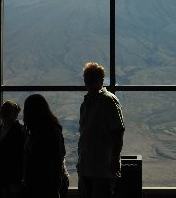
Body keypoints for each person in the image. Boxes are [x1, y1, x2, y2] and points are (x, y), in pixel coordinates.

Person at [77, 62, 125, 198]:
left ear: (101, 80)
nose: (89, 82)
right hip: (88, 166)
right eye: (88, 78)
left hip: (101, 167)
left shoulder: (108, 101)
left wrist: (115, 158)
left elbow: (118, 131)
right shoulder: (87, 103)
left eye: (92, 78)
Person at [22, 94, 66, 198]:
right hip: (50, 182)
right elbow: (61, 153)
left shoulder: (37, 132)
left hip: (39, 183)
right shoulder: (53, 128)